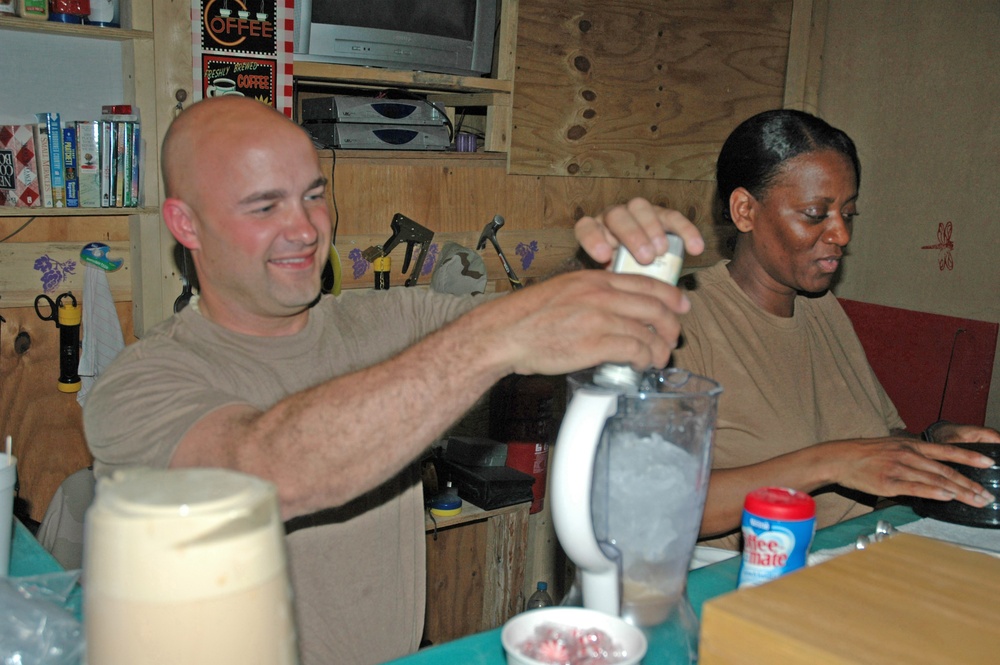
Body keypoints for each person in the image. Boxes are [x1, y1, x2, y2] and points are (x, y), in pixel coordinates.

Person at [82, 96, 705, 664]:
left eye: (313, 195)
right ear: (185, 224)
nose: (305, 229)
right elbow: (262, 470)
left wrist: (613, 270)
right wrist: (493, 340)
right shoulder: (138, 385)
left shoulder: (392, 319)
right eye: (265, 205)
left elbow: (543, 328)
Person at [669, 109, 999, 548]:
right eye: (814, 214)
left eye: (848, 213)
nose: (840, 234)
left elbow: (875, 443)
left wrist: (930, 441)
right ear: (745, 210)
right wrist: (828, 463)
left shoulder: (820, 307)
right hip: (746, 585)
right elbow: (663, 509)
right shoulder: (680, 321)